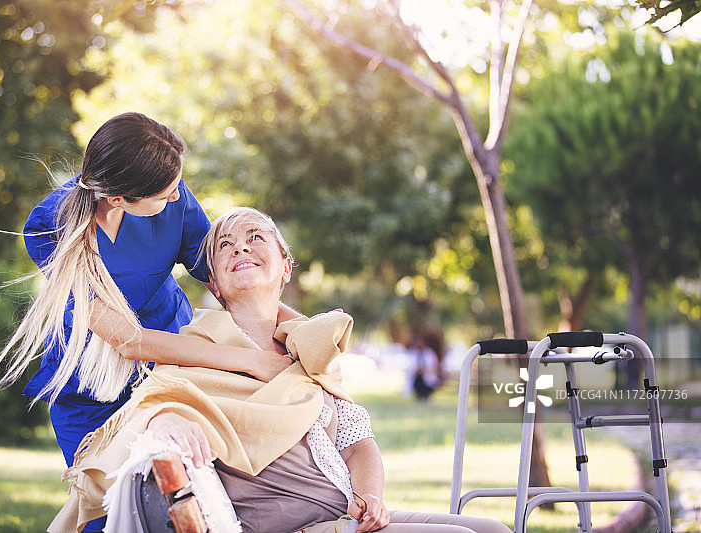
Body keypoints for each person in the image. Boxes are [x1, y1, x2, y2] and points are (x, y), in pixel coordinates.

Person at [49, 207, 512, 533]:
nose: (240, 248)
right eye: (224, 245)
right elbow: (155, 401)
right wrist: (162, 418)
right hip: (299, 525)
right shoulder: (197, 349)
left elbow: (357, 441)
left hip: (350, 514)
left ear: (285, 266)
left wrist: (372, 497)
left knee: (491, 528)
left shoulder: (309, 352)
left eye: (255, 237)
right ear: (214, 280)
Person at [0, 114, 297, 533]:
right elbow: (127, 340)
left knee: (190, 503)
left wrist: (301, 330)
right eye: (164, 195)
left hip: (172, 372)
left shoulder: (174, 196)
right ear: (120, 198)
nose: (175, 199)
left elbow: (237, 281)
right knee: (107, 513)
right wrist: (243, 362)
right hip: (93, 389)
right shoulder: (49, 228)